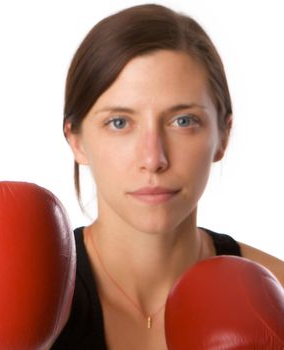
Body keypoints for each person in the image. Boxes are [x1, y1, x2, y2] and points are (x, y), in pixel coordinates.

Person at [50, 4, 284, 349]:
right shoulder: (31, 297)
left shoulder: (279, 297)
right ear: (76, 140)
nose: (153, 159)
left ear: (223, 135)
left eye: (183, 121)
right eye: (119, 122)